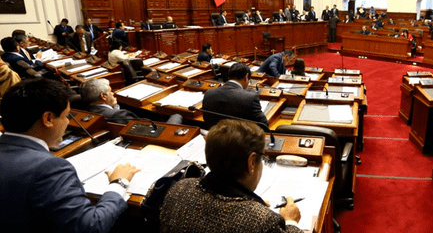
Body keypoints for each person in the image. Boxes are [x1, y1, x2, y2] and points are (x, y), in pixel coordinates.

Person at [0, 78, 140, 233]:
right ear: (48, 119)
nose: (67, 122)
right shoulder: (49, 168)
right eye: (66, 116)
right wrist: (119, 183)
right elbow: (92, 226)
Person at [159, 119, 302, 233]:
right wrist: (290, 221)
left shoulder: (179, 189)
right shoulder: (263, 222)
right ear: (252, 162)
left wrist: (253, 206)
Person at [80, 78, 182, 124]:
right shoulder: (119, 115)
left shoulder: (85, 113)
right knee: (177, 116)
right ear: (104, 96)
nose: (113, 94)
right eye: (110, 92)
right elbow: (147, 127)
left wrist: (115, 107)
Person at [202, 63, 268, 128]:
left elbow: (207, 120)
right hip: (239, 137)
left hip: (215, 135)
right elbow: (264, 125)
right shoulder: (250, 98)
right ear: (246, 76)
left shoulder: (209, 93)